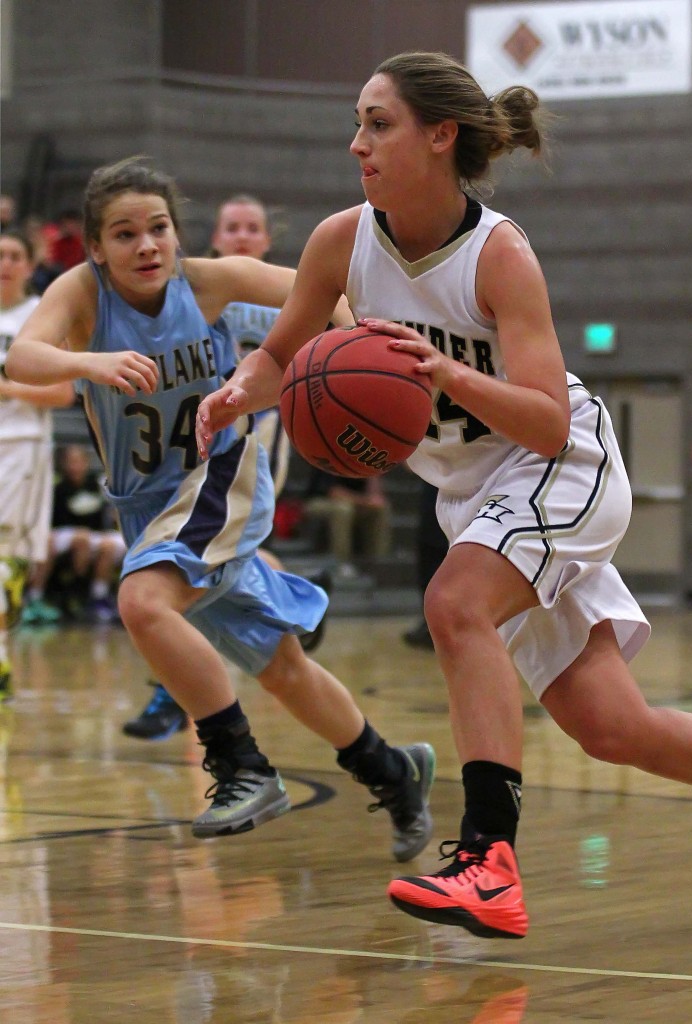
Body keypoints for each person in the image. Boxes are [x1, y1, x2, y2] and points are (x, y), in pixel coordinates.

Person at [194, 52, 692, 938]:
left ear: (439, 135)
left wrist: (446, 370)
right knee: (608, 725)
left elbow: (547, 423)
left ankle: (487, 857)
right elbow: (284, 355)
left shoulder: (499, 254)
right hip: (476, 494)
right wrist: (237, 392)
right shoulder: (342, 241)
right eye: (359, 122)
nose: (356, 142)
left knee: (454, 604)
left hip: (562, 465)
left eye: (378, 123)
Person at [6, 157, 435, 858]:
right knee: (283, 666)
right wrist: (89, 363)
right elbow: (22, 359)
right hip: (145, 504)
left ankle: (242, 768)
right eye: (123, 234)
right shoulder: (83, 295)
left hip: (216, 478)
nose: (145, 245)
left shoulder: (208, 282)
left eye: (158, 228)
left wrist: (358, 347)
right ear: (94, 247)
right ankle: (390, 769)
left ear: (177, 234)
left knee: (143, 603)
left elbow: (321, 290)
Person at [122, 192, 342, 740]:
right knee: (203, 562)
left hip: (254, 437)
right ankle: (292, 598)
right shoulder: (201, 295)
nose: (242, 236)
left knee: (195, 560)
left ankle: (173, 693)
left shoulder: (282, 298)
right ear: (216, 239)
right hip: (186, 440)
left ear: (266, 240)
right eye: (232, 227)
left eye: (251, 228)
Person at [0, 231, 74, 698]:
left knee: (5, 557)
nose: (5, 263)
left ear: (30, 266)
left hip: (19, 444)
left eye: (14, 256)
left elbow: (63, 391)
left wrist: (8, 389)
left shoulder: (38, 318)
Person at [40, 443, 126, 623]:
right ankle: (76, 590)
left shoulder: (96, 485)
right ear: (63, 464)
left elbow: (109, 514)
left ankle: (99, 596)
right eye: (71, 462)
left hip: (92, 534)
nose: (75, 466)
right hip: (62, 533)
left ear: (86, 463)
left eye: (79, 461)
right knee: (82, 539)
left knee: (110, 545)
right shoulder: (58, 487)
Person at [303, 467, 391, 570]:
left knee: (381, 508)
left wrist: (374, 475)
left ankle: (380, 562)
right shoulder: (331, 455)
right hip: (319, 501)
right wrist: (365, 501)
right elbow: (334, 492)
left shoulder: (365, 459)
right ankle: (341, 563)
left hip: (353, 501)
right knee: (343, 509)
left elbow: (375, 495)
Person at [401, 479, 447, 650]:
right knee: (428, 559)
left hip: (465, 488)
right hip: (436, 487)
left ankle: (439, 624)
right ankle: (430, 624)